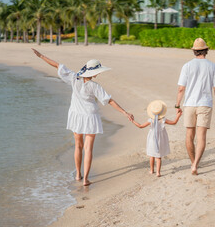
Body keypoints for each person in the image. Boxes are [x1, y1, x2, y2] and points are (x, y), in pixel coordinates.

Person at [32, 48, 133, 186]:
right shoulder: (94, 86)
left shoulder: (74, 78)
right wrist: (125, 113)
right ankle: (86, 179)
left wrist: (41, 56)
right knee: (88, 149)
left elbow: (57, 65)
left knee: (78, 146)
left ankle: (78, 175)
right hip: (90, 117)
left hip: (76, 116)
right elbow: (109, 100)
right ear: (94, 73)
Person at [176, 38, 215, 175]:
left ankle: (193, 162)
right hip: (205, 104)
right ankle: (195, 164)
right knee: (201, 137)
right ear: (206, 50)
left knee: (189, 135)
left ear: (194, 51)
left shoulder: (186, 66)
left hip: (189, 104)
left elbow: (181, 88)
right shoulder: (213, 66)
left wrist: (177, 105)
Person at [132, 100, 182, 177]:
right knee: (158, 157)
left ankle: (152, 170)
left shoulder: (150, 120)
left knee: (151, 155)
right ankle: (158, 172)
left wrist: (132, 120)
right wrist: (178, 115)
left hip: (152, 139)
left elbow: (140, 126)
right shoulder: (163, 120)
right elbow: (174, 122)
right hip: (161, 139)